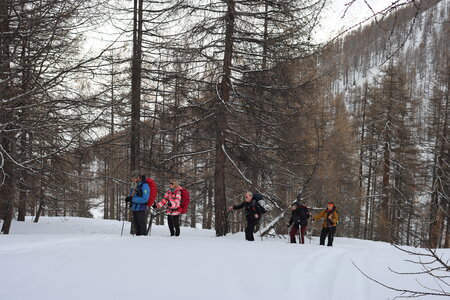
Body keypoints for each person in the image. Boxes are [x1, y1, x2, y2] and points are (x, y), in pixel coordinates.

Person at [124, 170, 150, 236]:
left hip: (141, 208)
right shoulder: (134, 184)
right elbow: (133, 195)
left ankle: (143, 241)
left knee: (142, 226)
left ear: (138, 178)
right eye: (132, 178)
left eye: (134, 178)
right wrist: (129, 198)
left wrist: (132, 200)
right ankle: (138, 242)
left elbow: (145, 199)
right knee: (137, 227)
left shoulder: (145, 185)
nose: (133, 180)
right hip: (134, 208)